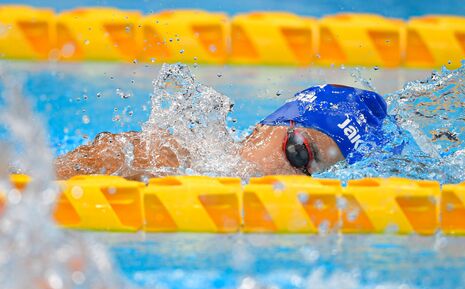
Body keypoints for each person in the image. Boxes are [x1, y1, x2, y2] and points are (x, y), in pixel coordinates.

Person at [55, 84, 398, 180]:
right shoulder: (168, 157)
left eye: (313, 176)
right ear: (265, 128)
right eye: (299, 154)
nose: (293, 181)